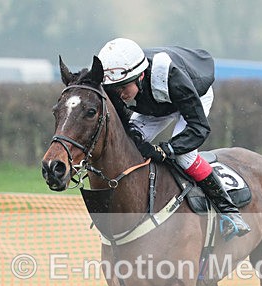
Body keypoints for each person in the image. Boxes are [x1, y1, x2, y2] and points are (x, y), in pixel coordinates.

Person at [97, 37, 250, 239]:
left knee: (183, 157)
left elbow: (199, 128)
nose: (119, 95)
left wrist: (166, 149)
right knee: (130, 146)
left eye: (123, 87)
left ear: (140, 76)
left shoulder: (171, 77)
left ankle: (230, 212)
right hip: (154, 102)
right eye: (114, 90)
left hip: (191, 96)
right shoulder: (119, 86)